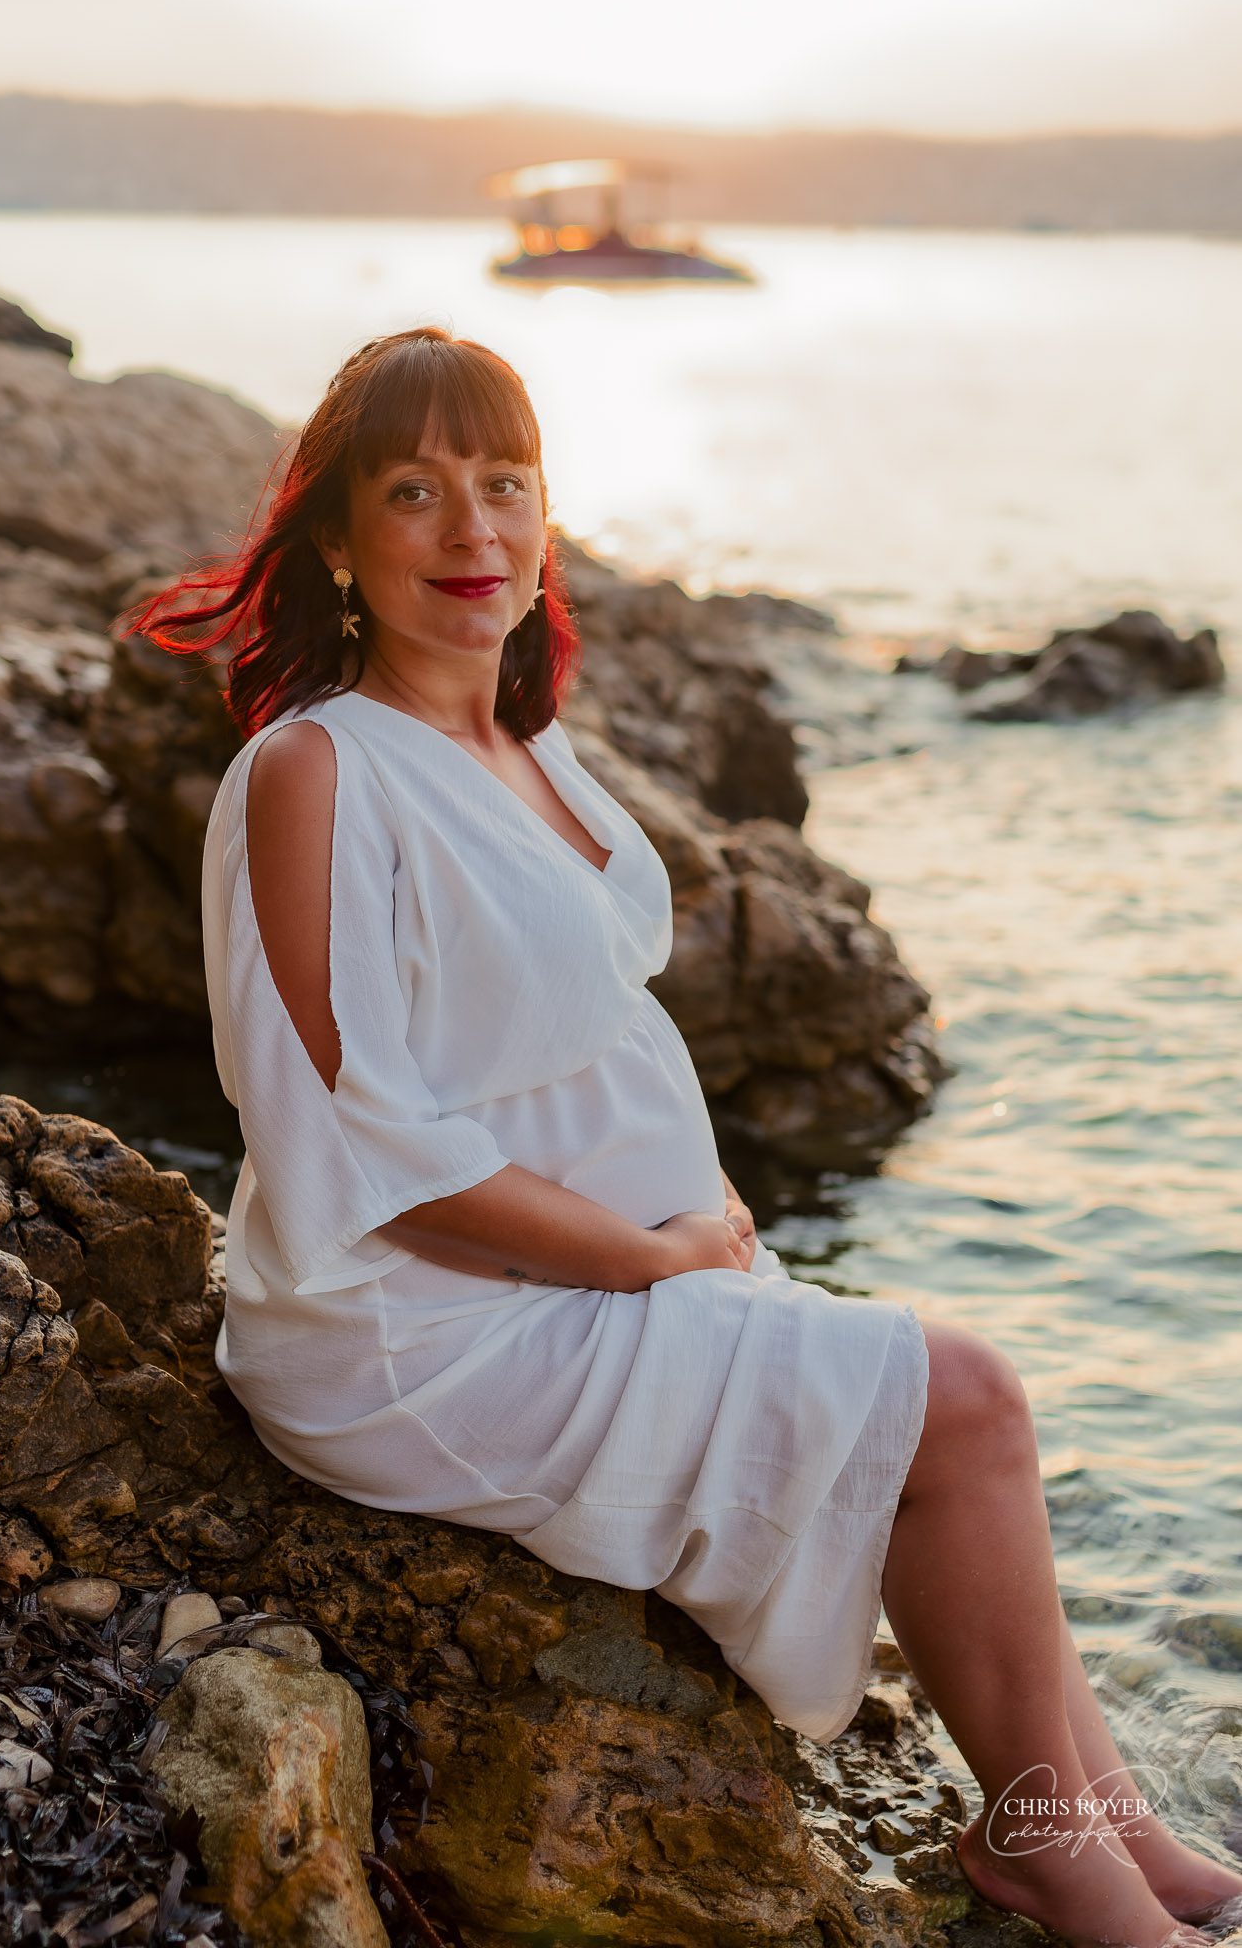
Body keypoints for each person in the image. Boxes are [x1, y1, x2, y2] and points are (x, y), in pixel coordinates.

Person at [124, 327, 1242, 1948]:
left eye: (505, 487)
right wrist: (649, 1253)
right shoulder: (314, 768)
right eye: (417, 492)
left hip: (588, 1274)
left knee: (963, 1433)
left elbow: (592, 1046)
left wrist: (700, 1214)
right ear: (338, 541)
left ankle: (1099, 1812)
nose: (472, 531)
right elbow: (367, 1139)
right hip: (410, 1329)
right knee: (972, 1398)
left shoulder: (526, 748)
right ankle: (1046, 1854)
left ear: (546, 518)